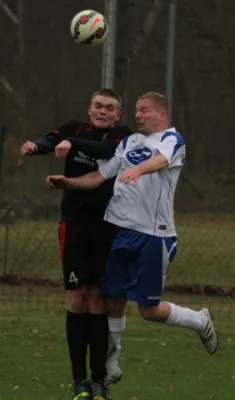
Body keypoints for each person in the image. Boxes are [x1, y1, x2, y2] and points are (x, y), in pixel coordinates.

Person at [46, 92, 219, 365]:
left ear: (162, 115)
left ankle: (199, 319)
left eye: (145, 110)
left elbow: (161, 161)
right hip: (121, 232)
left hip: (154, 236)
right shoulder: (128, 142)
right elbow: (98, 176)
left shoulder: (172, 140)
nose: (138, 115)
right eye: (137, 110)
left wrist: (139, 170)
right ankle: (111, 366)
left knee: (148, 310)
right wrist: (67, 182)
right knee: (112, 301)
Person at [20, 88, 132, 400]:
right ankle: (79, 381)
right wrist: (36, 147)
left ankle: (99, 381)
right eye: (98, 106)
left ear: (117, 114)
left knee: (97, 300)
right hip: (75, 224)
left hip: (108, 225)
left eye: (109, 108)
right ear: (90, 109)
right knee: (76, 300)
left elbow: (105, 152)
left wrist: (70, 145)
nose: (103, 111)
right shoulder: (74, 128)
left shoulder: (124, 136)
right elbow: (52, 138)